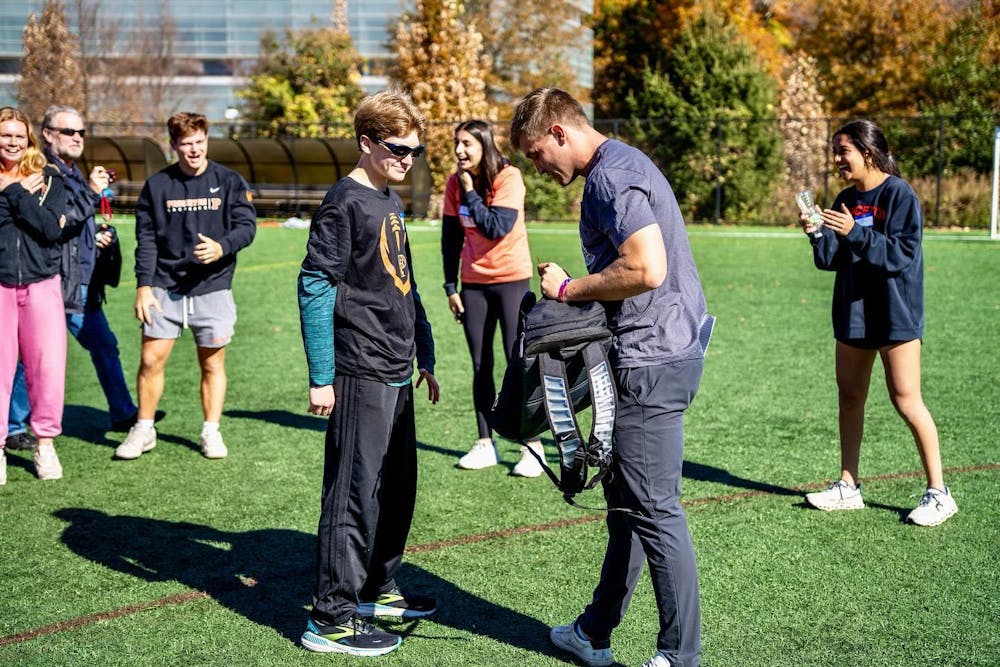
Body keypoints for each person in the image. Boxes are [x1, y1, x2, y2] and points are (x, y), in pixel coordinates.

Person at [512, 88, 711, 667]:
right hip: (669, 347)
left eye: (537, 154)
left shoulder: (606, 178)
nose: (540, 169)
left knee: (653, 508)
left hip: (650, 358)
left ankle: (680, 656)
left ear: (559, 133)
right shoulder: (627, 160)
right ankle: (594, 631)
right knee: (627, 500)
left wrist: (569, 290)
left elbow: (646, 267)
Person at [297, 88, 439, 657]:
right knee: (354, 494)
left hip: (396, 367)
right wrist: (322, 374)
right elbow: (314, 285)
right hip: (358, 369)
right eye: (397, 148)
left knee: (396, 487)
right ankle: (330, 617)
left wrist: (423, 352)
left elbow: (403, 283)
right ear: (366, 143)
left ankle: (376, 588)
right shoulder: (344, 202)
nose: (408, 158)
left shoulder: (389, 199)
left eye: (416, 150)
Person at [801, 119, 958, 527]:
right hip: (853, 313)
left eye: (843, 152)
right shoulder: (844, 198)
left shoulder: (900, 195)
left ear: (867, 153)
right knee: (849, 398)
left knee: (906, 400)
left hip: (894, 313)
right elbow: (830, 260)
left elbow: (900, 255)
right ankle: (848, 486)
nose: (836, 160)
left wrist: (854, 232)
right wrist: (818, 235)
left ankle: (939, 493)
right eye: (835, 152)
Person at [4, 105, 162, 447]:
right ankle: (15, 425)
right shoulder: (42, 172)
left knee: (100, 346)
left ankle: (122, 412)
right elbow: (52, 225)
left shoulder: (72, 172)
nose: (77, 138)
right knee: (29, 357)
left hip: (80, 284)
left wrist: (97, 236)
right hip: (50, 282)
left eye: (81, 133)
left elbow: (76, 223)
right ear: (47, 135)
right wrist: (91, 192)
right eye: (68, 132)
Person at [114, 111, 256, 461]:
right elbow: (145, 239)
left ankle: (211, 430)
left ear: (206, 140)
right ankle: (144, 428)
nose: (194, 150)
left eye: (199, 142)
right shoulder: (158, 186)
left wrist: (222, 246)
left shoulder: (229, 181)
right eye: (186, 143)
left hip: (213, 287)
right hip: (165, 285)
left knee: (212, 363)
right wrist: (143, 286)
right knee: (150, 360)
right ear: (173, 145)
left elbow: (246, 226)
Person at [441, 119, 544, 476]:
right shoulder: (454, 182)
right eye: (456, 143)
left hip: (511, 280)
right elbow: (450, 238)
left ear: (484, 144)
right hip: (474, 284)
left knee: (518, 362)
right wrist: (450, 287)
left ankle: (532, 446)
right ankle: (485, 443)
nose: (459, 151)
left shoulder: (508, 177)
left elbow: (496, 227)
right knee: (481, 364)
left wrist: (471, 192)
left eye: (466, 143)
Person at [0, 106, 69, 484]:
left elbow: (49, 229)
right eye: (4, 134)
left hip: (42, 285)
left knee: (47, 368)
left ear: (28, 139)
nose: (11, 141)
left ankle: (45, 443)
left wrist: (10, 193)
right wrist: (13, 197)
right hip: (0, 287)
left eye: (17, 135)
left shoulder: (48, 179)